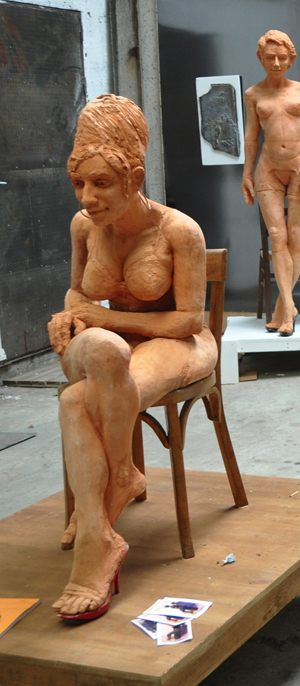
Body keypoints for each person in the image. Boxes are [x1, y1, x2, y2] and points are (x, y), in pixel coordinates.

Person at [48, 95, 218, 621]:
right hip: (112, 348)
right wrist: (69, 317)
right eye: (79, 183)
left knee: (76, 401)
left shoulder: (178, 231)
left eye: (101, 183)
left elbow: (189, 321)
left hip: (178, 343)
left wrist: (103, 319)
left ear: (135, 177)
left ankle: (94, 534)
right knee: (103, 351)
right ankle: (119, 479)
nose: (88, 197)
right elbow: (78, 294)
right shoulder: (84, 227)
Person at [242, 30, 300, 336]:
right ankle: (289, 310)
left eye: (282, 58)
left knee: (295, 238)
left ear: (291, 60)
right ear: (260, 58)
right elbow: (251, 138)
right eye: (270, 57)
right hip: (268, 169)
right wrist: (246, 174)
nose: (276, 63)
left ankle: (281, 309)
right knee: (277, 236)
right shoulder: (253, 94)